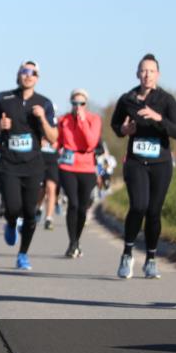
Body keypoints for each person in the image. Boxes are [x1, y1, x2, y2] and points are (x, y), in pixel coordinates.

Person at [111, 54, 176, 279]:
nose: (147, 75)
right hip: (136, 162)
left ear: (158, 75)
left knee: (153, 211)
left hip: (161, 163)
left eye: (151, 71)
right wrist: (124, 130)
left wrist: (157, 118)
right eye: (143, 70)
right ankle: (127, 254)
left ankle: (151, 259)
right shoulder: (127, 99)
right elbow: (116, 125)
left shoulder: (167, 100)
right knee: (138, 206)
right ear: (137, 73)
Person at [0, 61, 57, 270]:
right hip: (9, 163)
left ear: (37, 78)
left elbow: (53, 137)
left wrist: (42, 118)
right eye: (24, 71)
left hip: (33, 165)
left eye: (33, 72)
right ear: (18, 75)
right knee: (12, 207)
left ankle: (23, 254)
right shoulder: (3, 98)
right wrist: (0, 125)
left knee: (29, 212)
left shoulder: (44, 103)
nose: (28, 75)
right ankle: (10, 223)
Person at [57, 88, 101, 258]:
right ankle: (72, 243)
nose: (77, 106)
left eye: (81, 103)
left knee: (82, 207)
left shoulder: (94, 119)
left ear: (86, 104)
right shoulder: (64, 120)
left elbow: (91, 143)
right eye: (74, 103)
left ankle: (77, 240)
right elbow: (58, 141)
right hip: (67, 166)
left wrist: (82, 121)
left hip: (87, 167)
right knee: (73, 204)